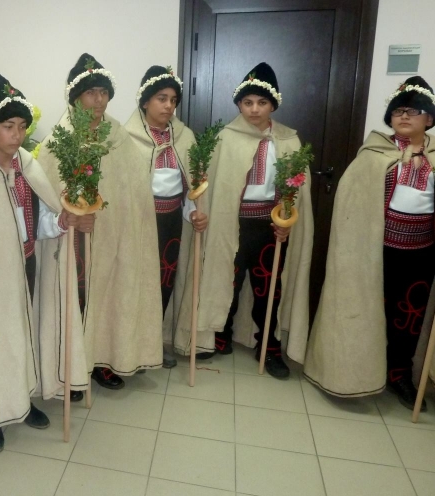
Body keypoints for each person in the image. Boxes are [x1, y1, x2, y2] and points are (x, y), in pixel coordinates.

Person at [0, 74, 87, 453]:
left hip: (25, 263)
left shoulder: (27, 165)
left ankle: (22, 401)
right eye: (8, 126)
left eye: (22, 126)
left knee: (21, 335)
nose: (17, 135)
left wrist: (61, 221)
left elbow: (39, 221)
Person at [304, 76, 435, 410]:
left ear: (429, 118)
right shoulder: (375, 154)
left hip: (421, 253)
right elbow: (354, 201)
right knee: (368, 313)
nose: (404, 116)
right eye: (398, 111)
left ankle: (400, 375)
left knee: (409, 316)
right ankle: (357, 373)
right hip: (375, 252)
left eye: (414, 111)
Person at [177, 62, 313, 378]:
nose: (254, 109)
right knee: (229, 280)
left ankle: (269, 345)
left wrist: (287, 221)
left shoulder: (288, 141)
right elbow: (211, 184)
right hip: (233, 224)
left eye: (262, 102)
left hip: (271, 227)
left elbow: (296, 190)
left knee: (269, 288)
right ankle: (219, 333)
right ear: (239, 104)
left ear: (273, 105)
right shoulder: (225, 138)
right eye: (248, 102)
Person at [38, 53, 163, 393]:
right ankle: (70, 369)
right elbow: (46, 192)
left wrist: (120, 223)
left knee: (108, 297)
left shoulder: (117, 136)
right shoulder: (59, 140)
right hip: (72, 239)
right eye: (91, 92)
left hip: (113, 238)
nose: (99, 100)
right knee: (75, 298)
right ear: (76, 97)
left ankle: (101, 360)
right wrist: (72, 216)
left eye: (104, 92)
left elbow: (133, 189)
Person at [123, 65, 208, 369]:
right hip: (138, 224)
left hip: (171, 222)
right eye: (161, 98)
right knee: (136, 285)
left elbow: (191, 187)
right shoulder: (126, 138)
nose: (168, 106)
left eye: (173, 100)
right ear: (145, 100)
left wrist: (194, 212)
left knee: (164, 282)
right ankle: (128, 348)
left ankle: (153, 344)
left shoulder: (184, 137)